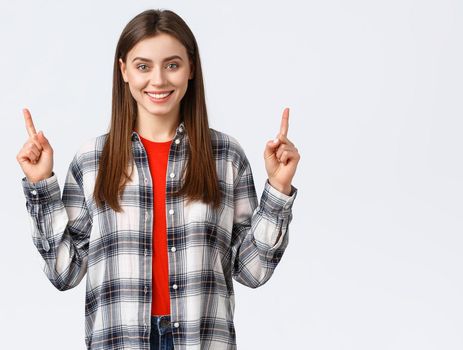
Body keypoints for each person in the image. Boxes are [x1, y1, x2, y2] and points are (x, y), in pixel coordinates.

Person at [16, 9, 300, 350]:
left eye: (172, 64)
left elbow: (252, 271)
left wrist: (278, 190)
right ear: (123, 70)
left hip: (202, 340)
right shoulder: (93, 161)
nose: (159, 80)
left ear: (191, 69)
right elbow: (65, 273)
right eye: (143, 66)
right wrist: (41, 185)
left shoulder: (225, 156)